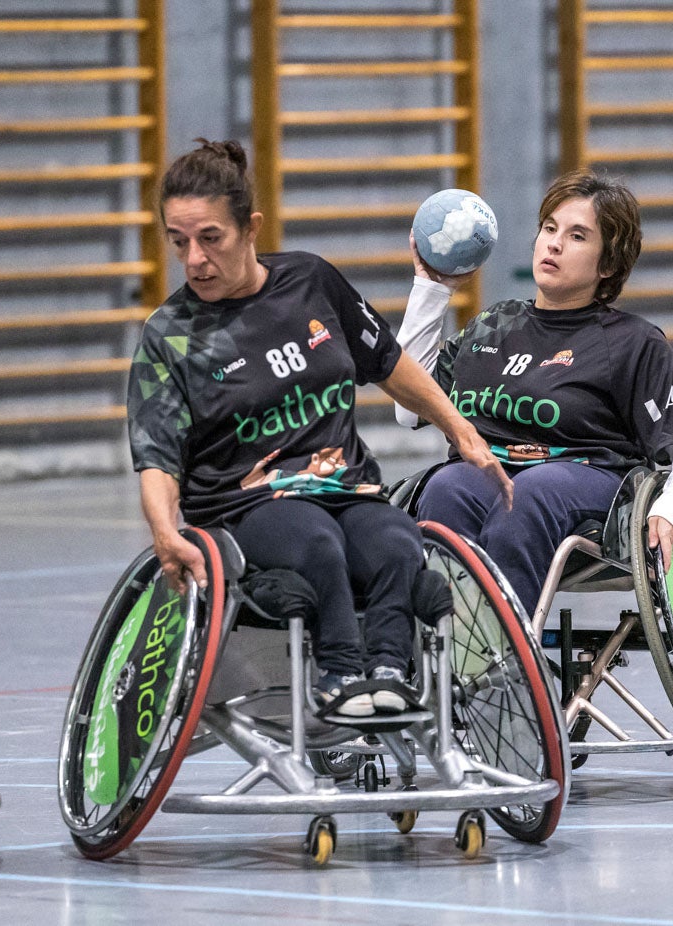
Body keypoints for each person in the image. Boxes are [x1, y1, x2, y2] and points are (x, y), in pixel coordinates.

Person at [128, 139, 511, 717]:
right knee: (315, 541)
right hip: (244, 506)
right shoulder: (172, 334)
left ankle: (389, 673)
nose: (195, 259)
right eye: (179, 242)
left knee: (398, 540)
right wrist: (164, 532)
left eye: (211, 238)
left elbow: (387, 362)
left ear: (250, 227)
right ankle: (339, 674)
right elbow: (156, 455)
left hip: (345, 487)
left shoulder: (310, 280)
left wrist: (458, 428)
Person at [393, 168, 673, 615]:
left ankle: (507, 662)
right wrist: (431, 288)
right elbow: (408, 410)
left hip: (586, 481)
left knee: (531, 493)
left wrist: (672, 507)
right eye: (549, 229)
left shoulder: (632, 342)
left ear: (608, 264)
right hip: (491, 469)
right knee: (447, 487)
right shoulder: (494, 325)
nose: (554, 243)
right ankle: (451, 650)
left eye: (577, 236)